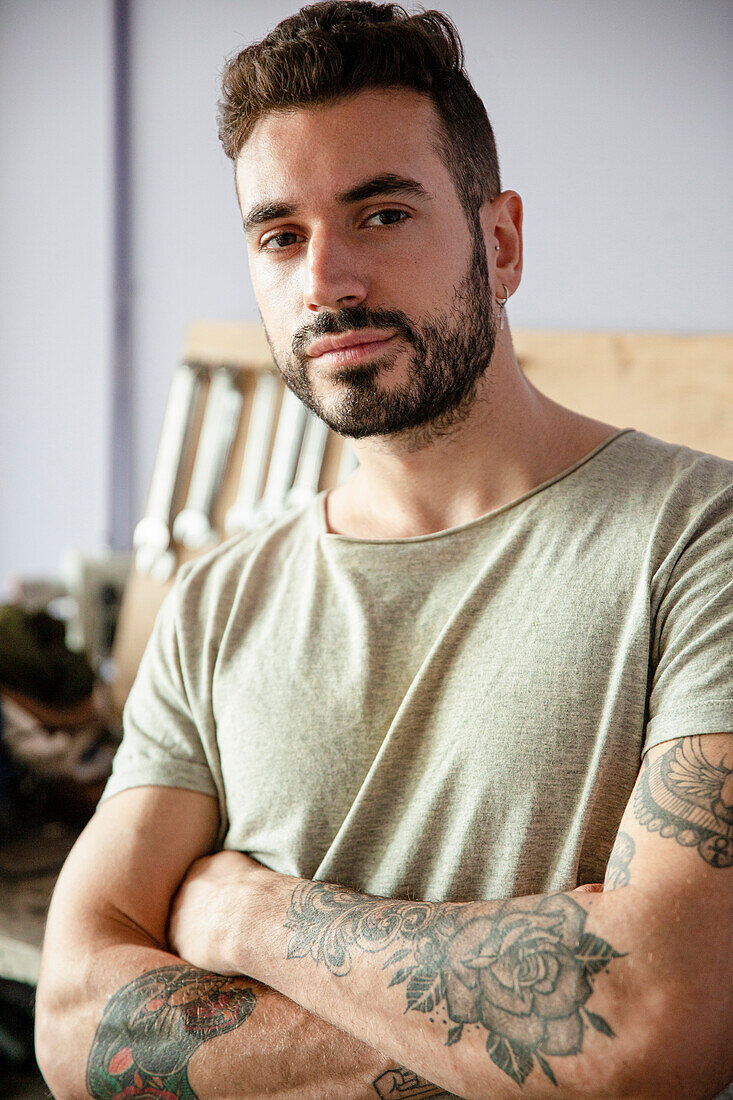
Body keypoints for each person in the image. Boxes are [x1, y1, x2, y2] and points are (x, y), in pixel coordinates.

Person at [35, 3, 733, 1098]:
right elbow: (75, 1017)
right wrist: (519, 1031)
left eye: (381, 214)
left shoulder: (699, 541)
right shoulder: (215, 600)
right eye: (280, 235)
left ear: (499, 242)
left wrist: (247, 911)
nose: (326, 281)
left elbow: (655, 1017)